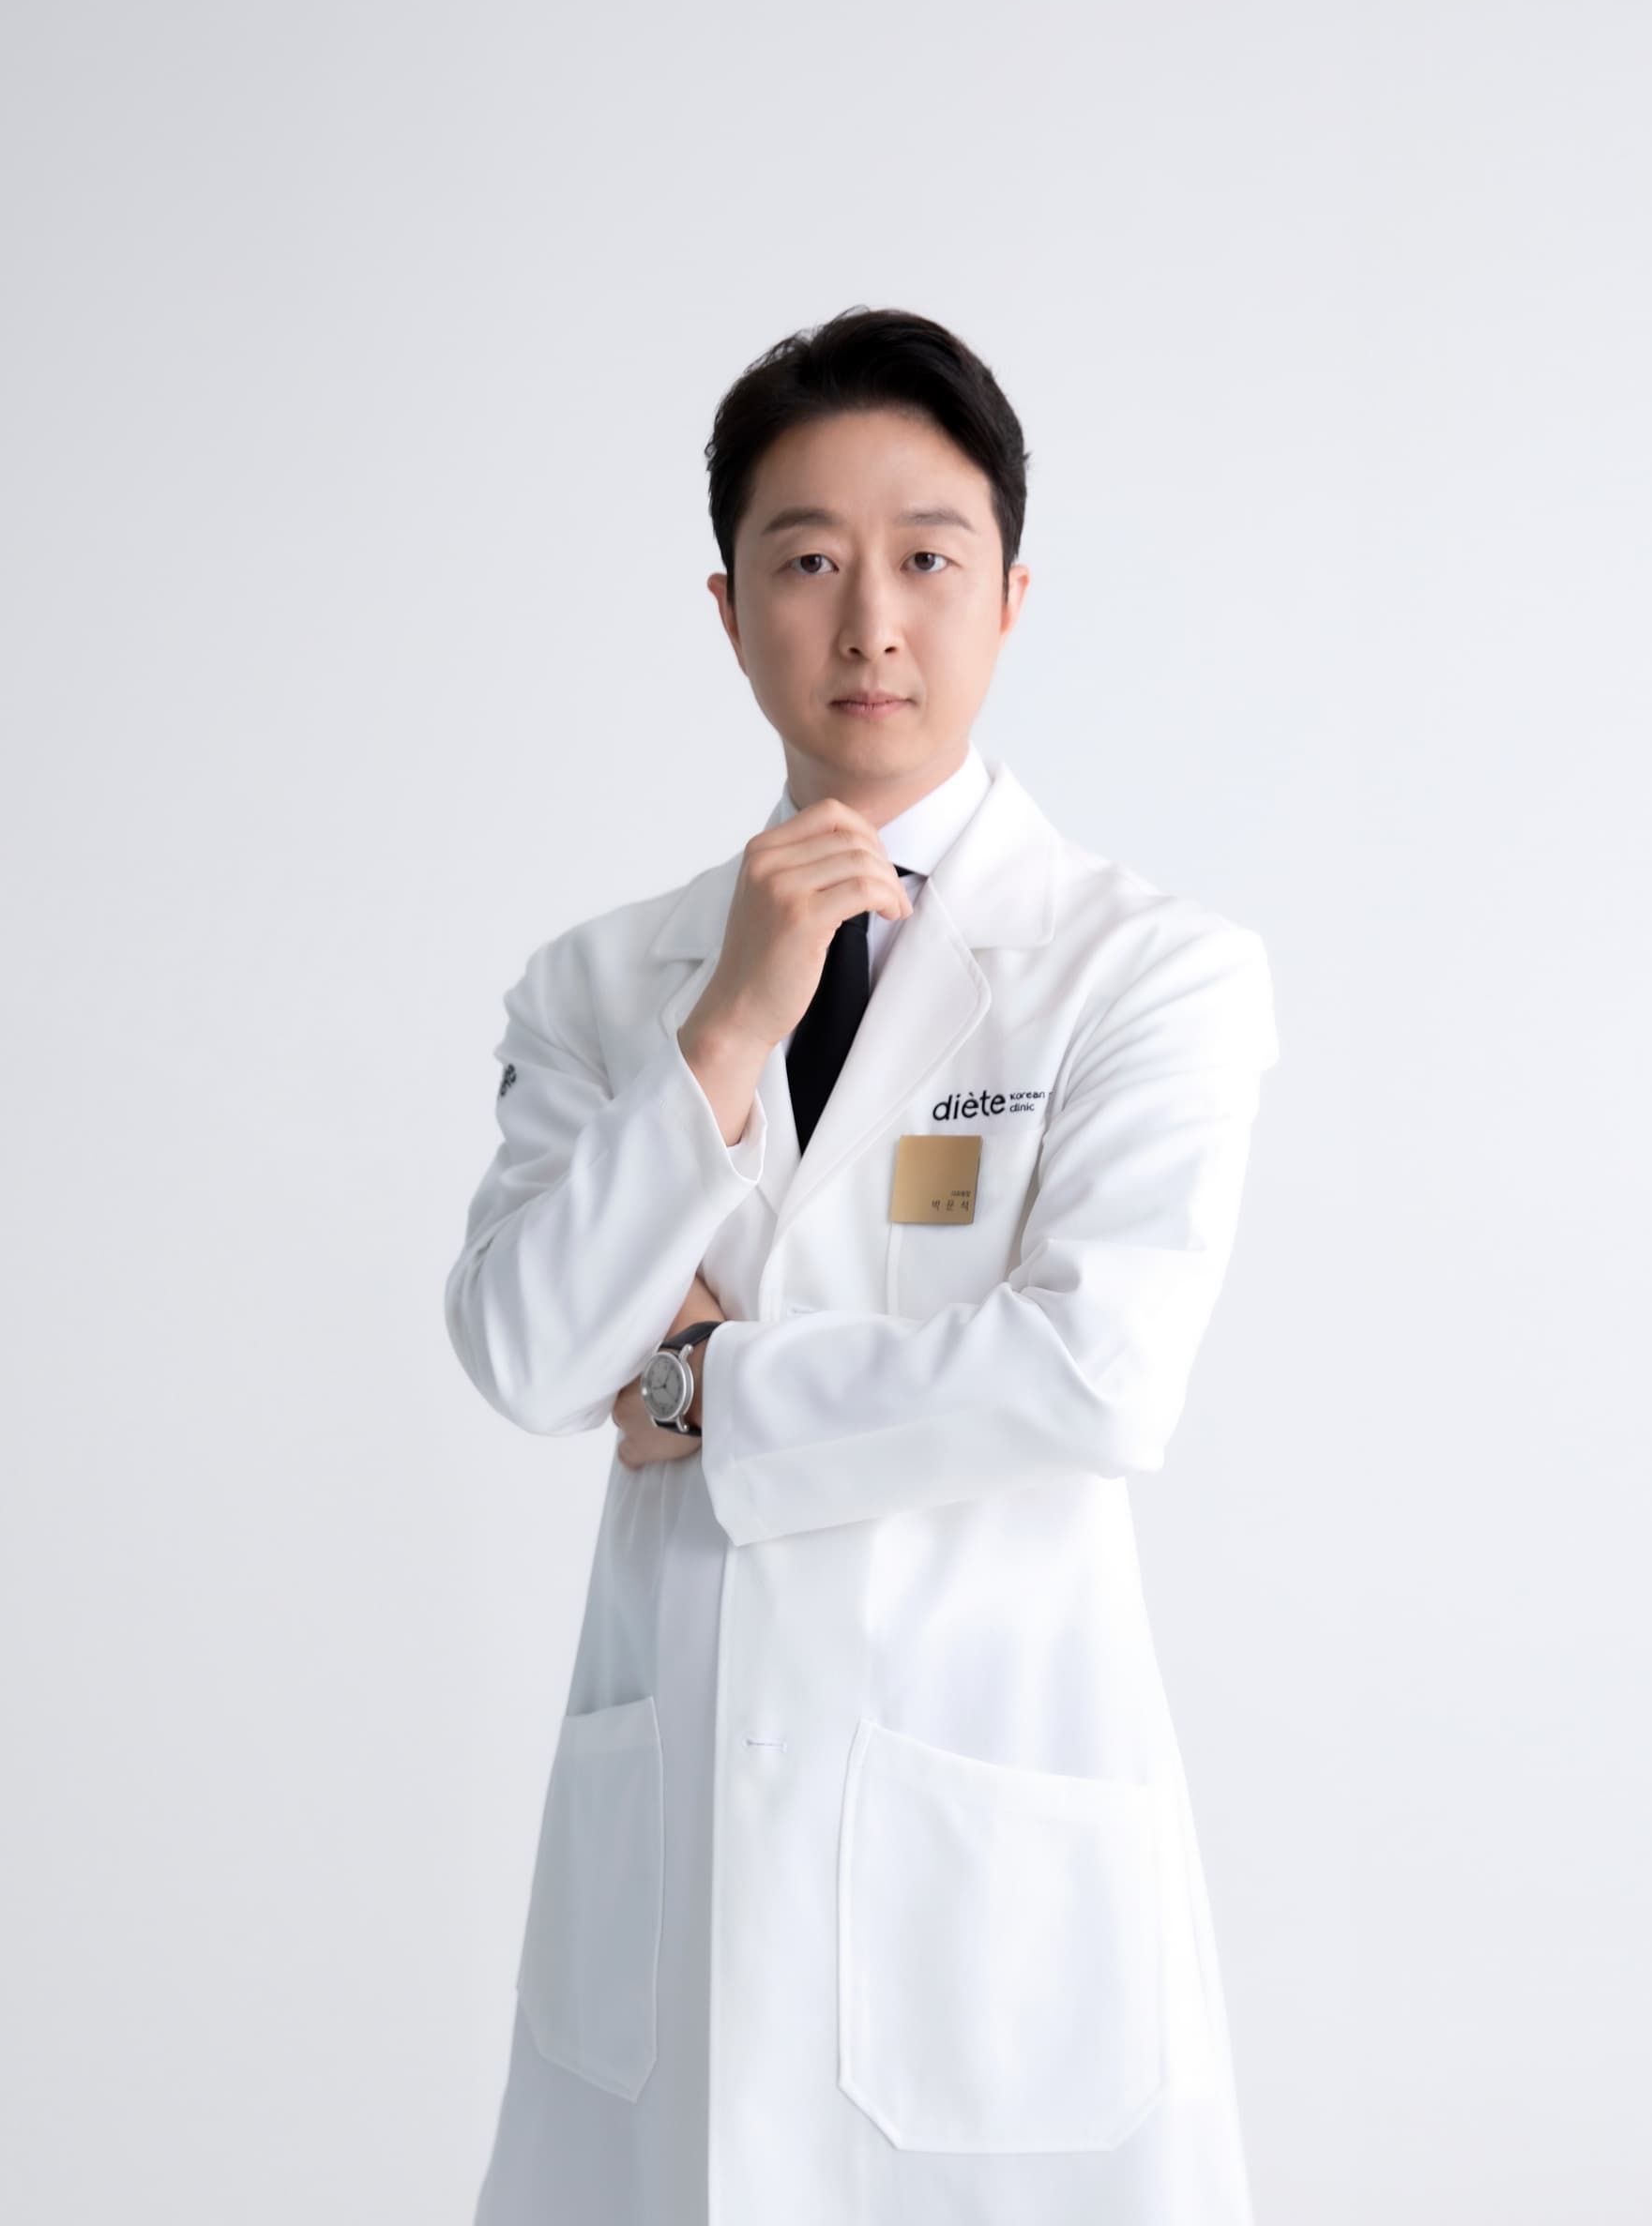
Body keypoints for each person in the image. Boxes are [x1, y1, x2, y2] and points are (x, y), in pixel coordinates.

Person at [444, 309, 1276, 2226]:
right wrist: (729, 1025)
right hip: (679, 1878)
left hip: (996, 1865)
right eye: (810, 560)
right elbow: (525, 1346)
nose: (871, 621)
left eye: (928, 558)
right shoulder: (606, 985)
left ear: (1013, 596)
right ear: (730, 608)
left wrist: (702, 1384)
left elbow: (1098, 1375)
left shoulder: (1146, 971)